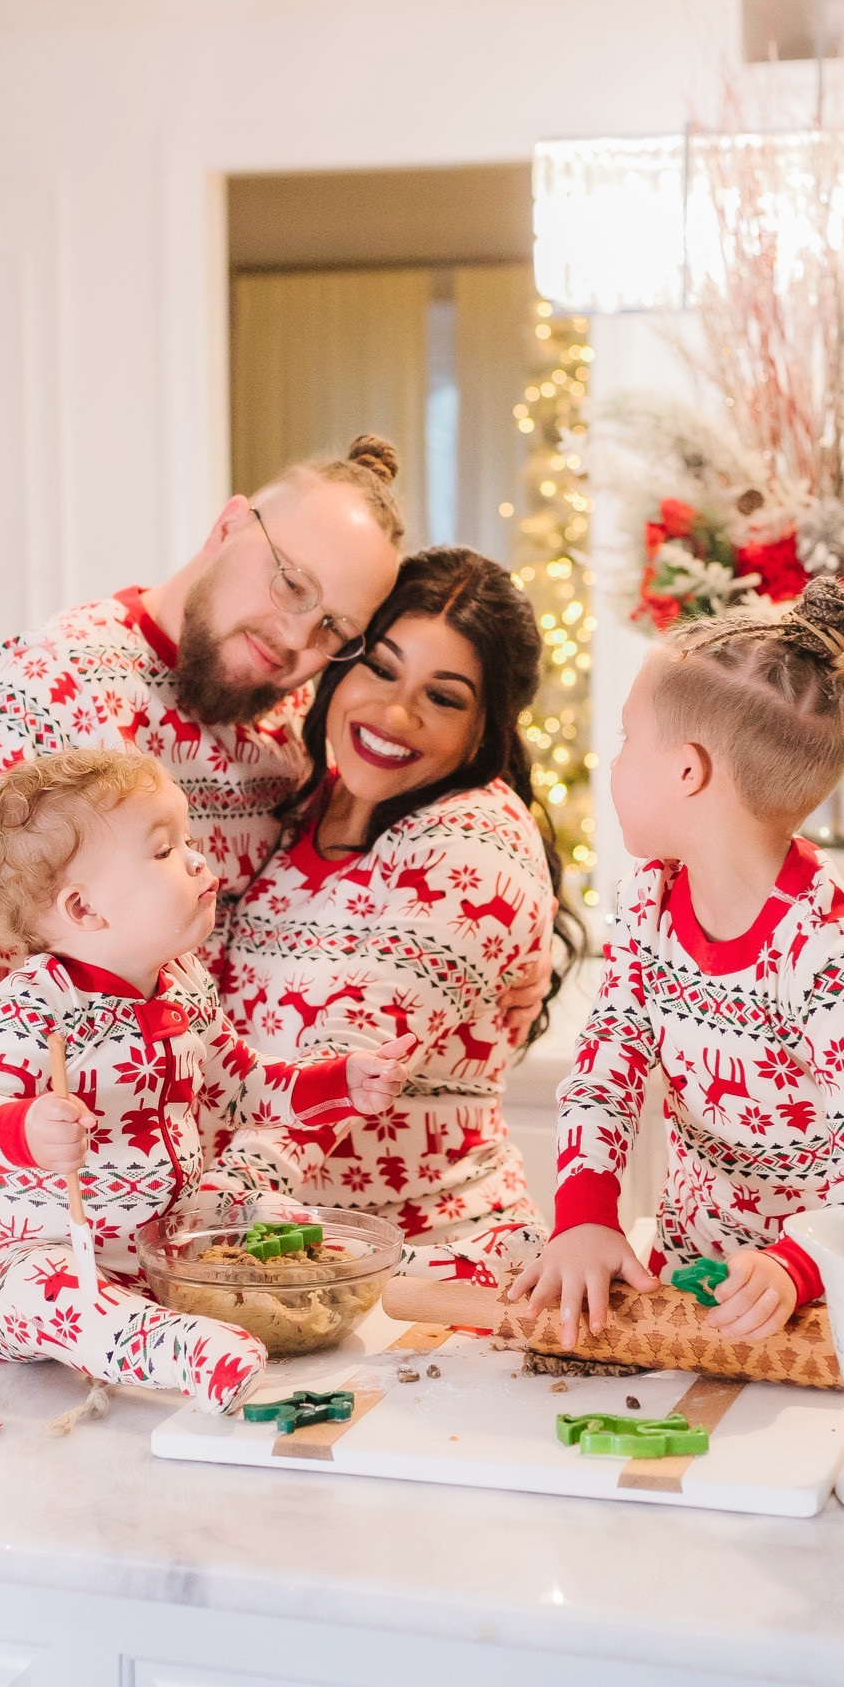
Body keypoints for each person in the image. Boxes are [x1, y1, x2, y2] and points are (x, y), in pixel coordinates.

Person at [0, 435, 548, 1242]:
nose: (295, 638)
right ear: (228, 526)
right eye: (290, 582)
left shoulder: (286, 734)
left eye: (332, 627)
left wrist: (504, 949)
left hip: (183, 1220)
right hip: (34, 1211)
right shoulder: (42, 686)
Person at [508, 577, 844, 1346]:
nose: (614, 760)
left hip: (813, 1312)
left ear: (687, 772)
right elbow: (608, 1065)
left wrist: (795, 1267)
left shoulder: (833, 956)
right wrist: (586, 1219)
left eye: (630, 739)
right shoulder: (647, 899)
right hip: (679, 1288)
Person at [0, 747, 412, 1413]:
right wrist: (28, 1128)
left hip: (161, 1243)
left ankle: (339, 1286)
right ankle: (176, 1349)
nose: (197, 859)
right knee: (44, 1289)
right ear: (85, 909)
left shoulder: (181, 983)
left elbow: (246, 1085)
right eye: (164, 850)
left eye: (188, 839)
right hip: (33, 1251)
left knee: (265, 1211)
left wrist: (340, 1081)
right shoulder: (35, 1006)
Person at [205, 547, 584, 1284]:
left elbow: (355, 1052)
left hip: (438, 1275)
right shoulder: (304, 801)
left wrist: (219, 1202)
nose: (394, 713)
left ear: (489, 727)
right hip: (293, 1265)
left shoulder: (475, 843)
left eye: (444, 697)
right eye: (379, 667)